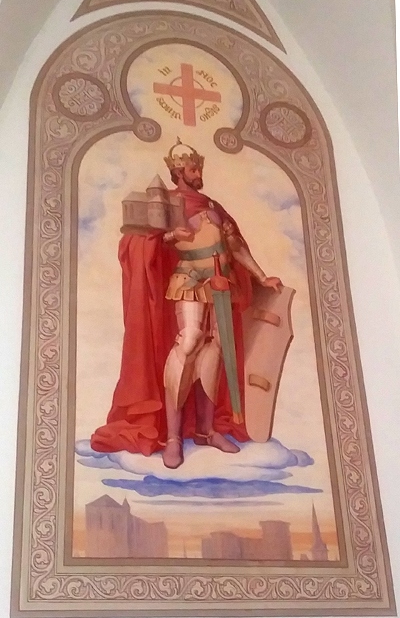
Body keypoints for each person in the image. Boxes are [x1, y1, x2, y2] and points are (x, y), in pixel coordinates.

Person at [91, 139, 282, 468]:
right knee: (190, 341)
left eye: (199, 168)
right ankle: (174, 437)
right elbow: (137, 241)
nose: (198, 173)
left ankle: (207, 430)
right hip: (188, 280)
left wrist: (262, 277)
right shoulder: (166, 203)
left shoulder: (213, 206)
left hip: (221, 284)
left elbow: (235, 245)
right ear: (179, 172)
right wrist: (168, 237)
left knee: (215, 349)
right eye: (193, 169)